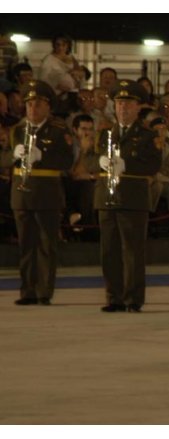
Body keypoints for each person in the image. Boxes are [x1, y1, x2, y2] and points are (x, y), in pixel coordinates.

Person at [85, 79, 161, 313]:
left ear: (138, 107)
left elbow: (153, 165)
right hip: (106, 197)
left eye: (128, 104)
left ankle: (133, 298)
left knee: (133, 251)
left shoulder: (148, 135)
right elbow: (87, 161)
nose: (123, 108)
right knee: (109, 251)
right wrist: (99, 161)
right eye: (119, 103)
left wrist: (125, 165)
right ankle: (114, 297)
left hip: (132, 197)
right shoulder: (105, 134)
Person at [9, 80, 74, 305]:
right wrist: (12, 156)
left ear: (48, 107)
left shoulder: (58, 130)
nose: (32, 109)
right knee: (26, 245)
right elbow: (3, 157)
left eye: (37, 105)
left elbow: (67, 161)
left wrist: (42, 157)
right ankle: (27, 291)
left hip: (47, 193)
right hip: (22, 193)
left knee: (46, 245)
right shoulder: (17, 130)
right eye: (29, 105)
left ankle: (44, 291)